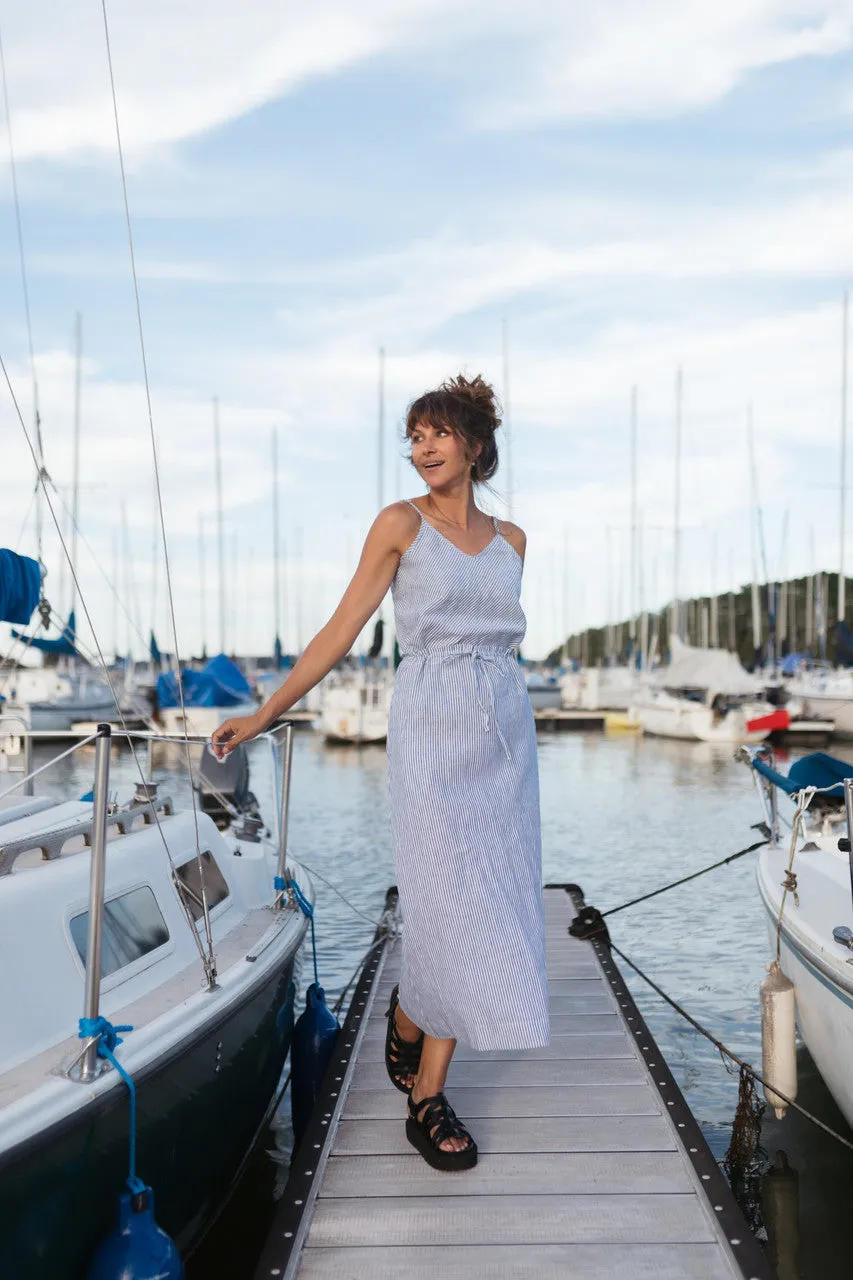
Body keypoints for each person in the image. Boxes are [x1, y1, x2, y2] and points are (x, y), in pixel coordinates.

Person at [212, 373, 550, 1172]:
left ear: (474, 446)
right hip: (430, 732)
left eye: (437, 434)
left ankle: (411, 1022)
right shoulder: (400, 524)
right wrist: (266, 711)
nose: (422, 448)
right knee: (448, 904)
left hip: (502, 735)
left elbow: (497, 638)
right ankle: (426, 1097)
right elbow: (341, 629)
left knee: (492, 899)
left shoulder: (513, 542)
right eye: (415, 436)